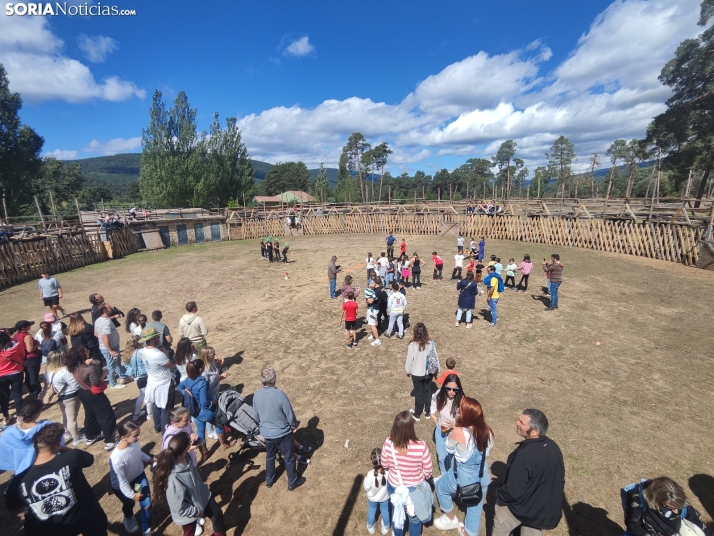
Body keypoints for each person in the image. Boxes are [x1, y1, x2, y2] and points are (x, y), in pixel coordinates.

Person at [16, 423, 108, 536]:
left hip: (52, 528)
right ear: (58, 443)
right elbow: (89, 459)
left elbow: (12, 504)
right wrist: (61, 448)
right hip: (87, 518)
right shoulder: (73, 457)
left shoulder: (21, 479)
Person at [492, 409, 565, 536]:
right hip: (538, 512)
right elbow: (559, 479)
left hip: (516, 510)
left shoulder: (523, 455)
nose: (517, 423)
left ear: (535, 431)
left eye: (522, 422)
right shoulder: (553, 447)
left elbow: (512, 492)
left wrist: (499, 495)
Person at [434, 397, 493, 536]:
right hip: (482, 474)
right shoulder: (487, 430)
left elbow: (448, 448)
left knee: (441, 487)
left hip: (463, 476)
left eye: (461, 408)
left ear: (468, 414)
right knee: (475, 505)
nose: (458, 410)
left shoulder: (459, 432)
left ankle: (450, 518)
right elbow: (486, 450)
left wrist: (455, 429)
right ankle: (469, 533)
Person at [152, 432, 226, 536]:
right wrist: (197, 510)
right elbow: (179, 508)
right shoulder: (173, 478)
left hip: (201, 495)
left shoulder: (185, 456)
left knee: (217, 514)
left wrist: (193, 439)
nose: (193, 441)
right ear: (185, 448)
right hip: (188, 512)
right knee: (189, 533)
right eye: (190, 442)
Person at [380, 411, 433, 536]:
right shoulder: (421, 446)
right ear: (411, 428)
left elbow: (384, 464)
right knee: (415, 519)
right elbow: (428, 471)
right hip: (415, 489)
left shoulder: (388, 443)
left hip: (395, 487)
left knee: (397, 514)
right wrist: (422, 476)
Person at [252, 367, 306, 491]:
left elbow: (256, 416)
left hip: (267, 434)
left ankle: (269, 480)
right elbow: (289, 414)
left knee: (270, 456)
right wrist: (293, 426)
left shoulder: (256, 395)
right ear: (274, 380)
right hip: (283, 434)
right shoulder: (279, 395)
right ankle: (292, 481)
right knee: (289, 457)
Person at [65, 346, 117, 450]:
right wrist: (104, 374)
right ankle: (110, 441)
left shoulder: (74, 367)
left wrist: (92, 361)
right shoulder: (89, 369)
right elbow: (96, 383)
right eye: (86, 351)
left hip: (83, 392)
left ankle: (91, 436)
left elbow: (97, 362)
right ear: (82, 355)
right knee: (106, 415)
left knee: (90, 415)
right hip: (94, 395)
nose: (88, 351)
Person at [622, 477, 712, 536]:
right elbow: (633, 524)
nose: (675, 509)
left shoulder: (679, 503)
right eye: (669, 506)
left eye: (677, 506)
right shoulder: (638, 498)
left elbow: (698, 522)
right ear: (657, 498)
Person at [109, 421, 153, 536]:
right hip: (122, 486)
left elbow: (138, 453)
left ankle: (146, 530)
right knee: (129, 503)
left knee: (146, 503)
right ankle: (128, 517)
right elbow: (121, 482)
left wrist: (148, 459)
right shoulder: (116, 459)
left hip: (138, 478)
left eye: (139, 433)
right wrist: (132, 495)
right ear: (123, 437)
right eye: (135, 435)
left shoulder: (134, 442)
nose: (139, 437)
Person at [177, 359, 218, 461]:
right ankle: (224, 443)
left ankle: (204, 453)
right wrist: (213, 402)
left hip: (194, 412)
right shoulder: (202, 382)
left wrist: (185, 392)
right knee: (220, 422)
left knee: (200, 431)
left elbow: (179, 387)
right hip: (205, 412)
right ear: (201, 369)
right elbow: (204, 403)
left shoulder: (187, 380)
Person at [0, 398, 54, 474]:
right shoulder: (47, 429)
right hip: (45, 468)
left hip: (21, 473)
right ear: (39, 412)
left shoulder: (8, 434)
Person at [140, 327, 176, 434]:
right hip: (164, 383)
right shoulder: (156, 354)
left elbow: (165, 356)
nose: (158, 338)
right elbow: (171, 364)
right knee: (166, 408)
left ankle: (158, 426)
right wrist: (161, 346)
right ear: (153, 339)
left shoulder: (144, 351)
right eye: (156, 337)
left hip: (152, 381)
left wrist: (160, 346)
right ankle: (166, 431)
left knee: (156, 405)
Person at [45, 350, 84, 445]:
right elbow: (75, 385)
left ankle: (66, 431)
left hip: (59, 396)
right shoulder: (64, 371)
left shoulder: (48, 370)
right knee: (72, 418)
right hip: (70, 396)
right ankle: (76, 438)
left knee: (64, 414)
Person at [429, 374, 463, 475]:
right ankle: (444, 475)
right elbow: (434, 399)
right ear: (445, 387)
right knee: (442, 456)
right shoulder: (440, 394)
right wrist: (432, 412)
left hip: (454, 433)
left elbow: (467, 424)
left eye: (455, 389)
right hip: (441, 430)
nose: (451, 392)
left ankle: (451, 475)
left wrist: (454, 425)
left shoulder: (462, 401)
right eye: (448, 389)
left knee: (452, 457)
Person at [404, 322, 438, 421]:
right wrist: (436, 371)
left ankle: (417, 413)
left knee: (419, 394)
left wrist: (408, 371)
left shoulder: (412, 345)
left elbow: (409, 360)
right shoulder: (431, 343)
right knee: (427, 392)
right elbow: (435, 357)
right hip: (428, 373)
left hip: (416, 374)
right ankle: (427, 412)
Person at [95, 303, 128, 389]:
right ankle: (113, 384)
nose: (112, 309)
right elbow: (105, 337)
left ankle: (123, 376)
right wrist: (110, 350)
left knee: (117, 363)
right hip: (110, 348)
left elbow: (96, 333)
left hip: (112, 346)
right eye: (109, 308)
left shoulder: (99, 320)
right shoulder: (105, 322)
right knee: (111, 366)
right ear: (104, 310)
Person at [198, 346, 226, 441]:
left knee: (217, 410)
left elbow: (215, 372)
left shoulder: (212, 362)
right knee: (211, 414)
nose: (214, 355)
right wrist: (218, 379)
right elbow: (205, 387)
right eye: (212, 354)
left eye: (214, 353)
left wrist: (219, 365)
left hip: (215, 391)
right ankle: (210, 432)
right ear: (206, 356)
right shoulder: (203, 371)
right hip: (209, 394)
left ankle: (218, 428)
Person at [0, 329, 25, 428]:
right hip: (16, 372)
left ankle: (5, 417)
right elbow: (22, 355)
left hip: (1, 376)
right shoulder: (16, 345)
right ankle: (19, 416)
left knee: (4, 397)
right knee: (17, 395)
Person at [364, 448, 390, 535]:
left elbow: (366, 488)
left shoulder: (369, 475)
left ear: (372, 461)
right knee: (385, 511)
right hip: (385, 497)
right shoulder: (388, 472)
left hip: (372, 498)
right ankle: (386, 527)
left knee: (371, 510)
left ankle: (370, 527)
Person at [124, 335, 149, 422]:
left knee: (143, 394)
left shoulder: (128, 353)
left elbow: (127, 366)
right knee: (147, 395)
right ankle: (149, 414)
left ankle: (137, 414)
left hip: (136, 377)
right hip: (144, 375)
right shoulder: (142, 352)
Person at [14, 319, 42, 396]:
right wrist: (37, 344)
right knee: (34, 377)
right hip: (31, 358)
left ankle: (32, 391)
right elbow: (30, 349)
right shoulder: (27, 336)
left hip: (23, 359)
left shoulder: (16, 336)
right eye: (28, 325)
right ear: (23, 328)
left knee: (28, 376)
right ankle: (39, 392)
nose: (30, 326)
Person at [364, 281, 382, 347]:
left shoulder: (378, 291)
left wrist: (367, 301)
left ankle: (377, 340)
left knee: (372, 324)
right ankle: (373, 334)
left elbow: (371, 301)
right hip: (370, 309)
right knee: (370, 323)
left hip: (373, 309)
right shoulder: (374, 289)